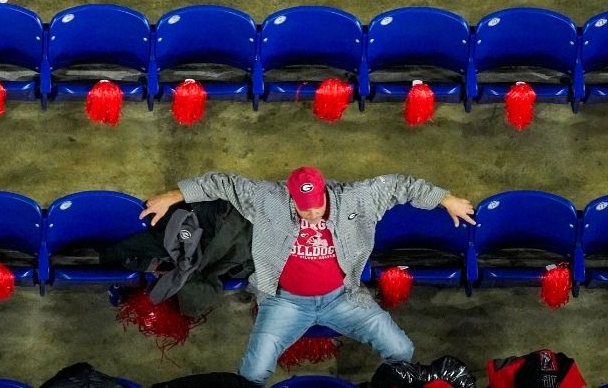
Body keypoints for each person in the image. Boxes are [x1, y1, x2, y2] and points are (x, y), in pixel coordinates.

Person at [140, 166, 475, 387]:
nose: (313, 214)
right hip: (285, 300)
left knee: (402, 350)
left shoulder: (357, 197)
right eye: (305, 208)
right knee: (252, 375)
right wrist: (172, 196)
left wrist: (447, 200)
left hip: (342, 297)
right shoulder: (267, 198)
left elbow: (402, 184)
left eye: (318, 206)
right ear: (291, 198)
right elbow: (222, 183)